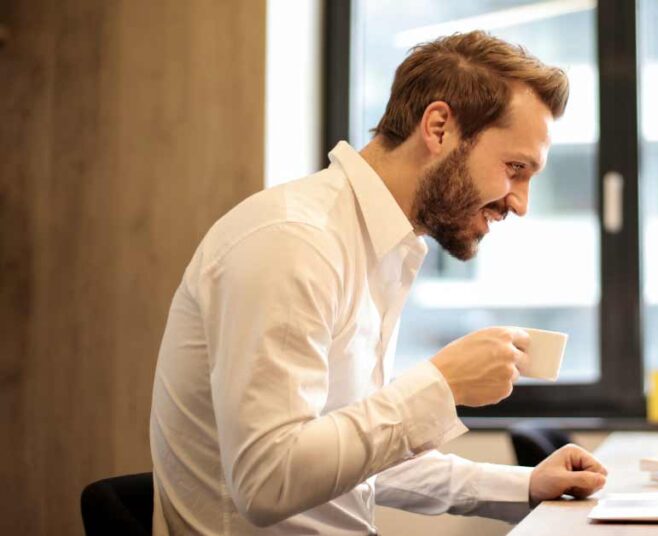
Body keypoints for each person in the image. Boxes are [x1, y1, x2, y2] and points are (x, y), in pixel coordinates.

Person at [149, 30, 608, 535]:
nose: (520, 202)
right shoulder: (294, 242)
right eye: (514, 168)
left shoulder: (380, 246)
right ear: (438, 128)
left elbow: (350, 459)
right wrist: (442, 384)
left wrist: (522, 486)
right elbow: (268, 482)